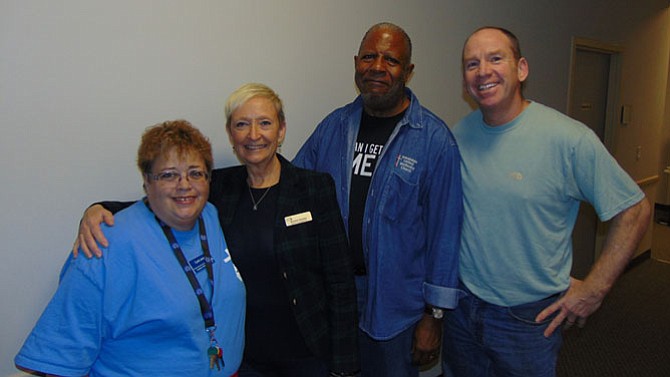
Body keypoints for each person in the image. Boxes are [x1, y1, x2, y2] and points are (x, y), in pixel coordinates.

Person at [74, 83, 359, 377]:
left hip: (307, 352)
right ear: (230, 134)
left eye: (264, 123)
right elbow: (163, 202)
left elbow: (340, 282)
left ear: (281, 130)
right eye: (242, 125)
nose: (253, 135)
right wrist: (101, 208)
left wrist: (345, 367)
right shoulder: (219, 188)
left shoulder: (313, 187)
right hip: (241, 354)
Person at [441, 26, 651, 377]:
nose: (483, 71)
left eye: (496, 58)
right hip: (463, 309)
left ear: (521, 69)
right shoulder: (458, 135)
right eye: (471, 64)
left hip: (526, 320)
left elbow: (635, 208)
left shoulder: (569, 140)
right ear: (465, 81)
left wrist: (595, 290)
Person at [293, 22, 463, 377]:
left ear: (408, 71)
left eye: (391, 60)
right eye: (369, 56)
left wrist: (434, 318)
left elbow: (445, 234)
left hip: (396, 304)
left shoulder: (433, 140)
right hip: (335, 296)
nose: (377, 67)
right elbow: (294, 187)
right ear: (356, 62)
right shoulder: (334, 127)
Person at [15, 120, 246, 376]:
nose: (184, 185)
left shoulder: (210, 217)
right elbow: (62, 354)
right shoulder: (104, 247)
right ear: (147, 181)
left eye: (195, 173)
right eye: (169, 174)